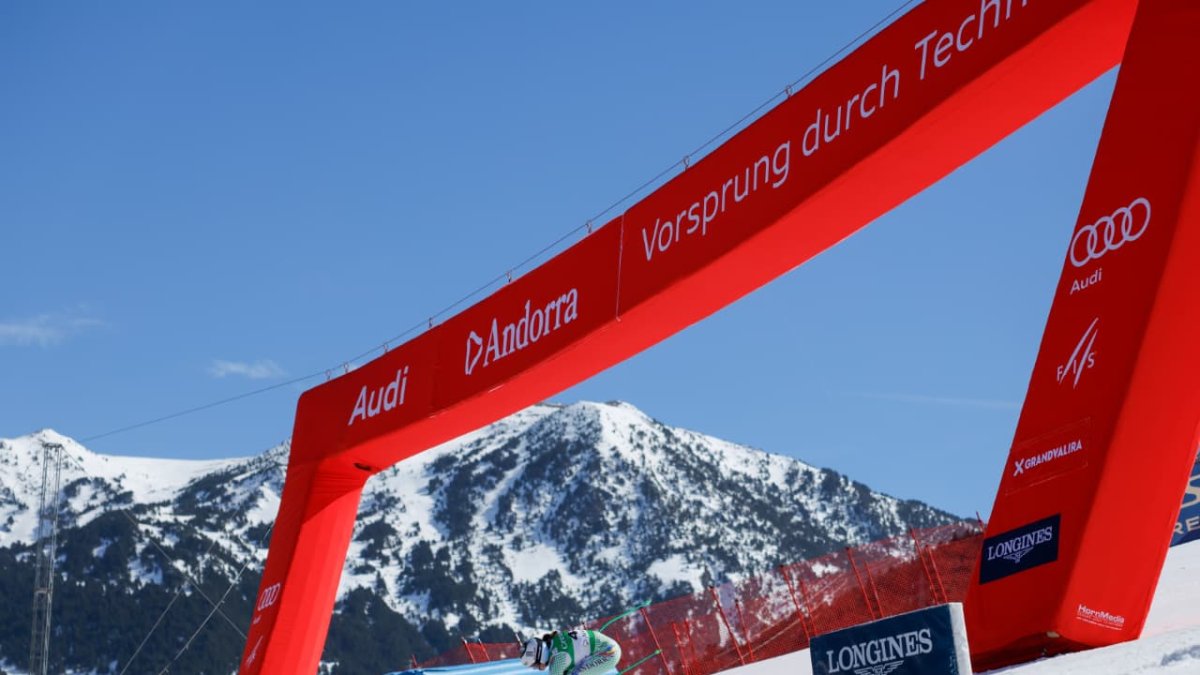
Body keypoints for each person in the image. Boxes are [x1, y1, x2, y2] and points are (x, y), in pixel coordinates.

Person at [519, 628, 621, 675]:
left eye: (535, 665)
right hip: (609, 646)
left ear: (538, 656)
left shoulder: (556, 664)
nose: (537, 668)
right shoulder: (555, 639)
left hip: (610, 654)